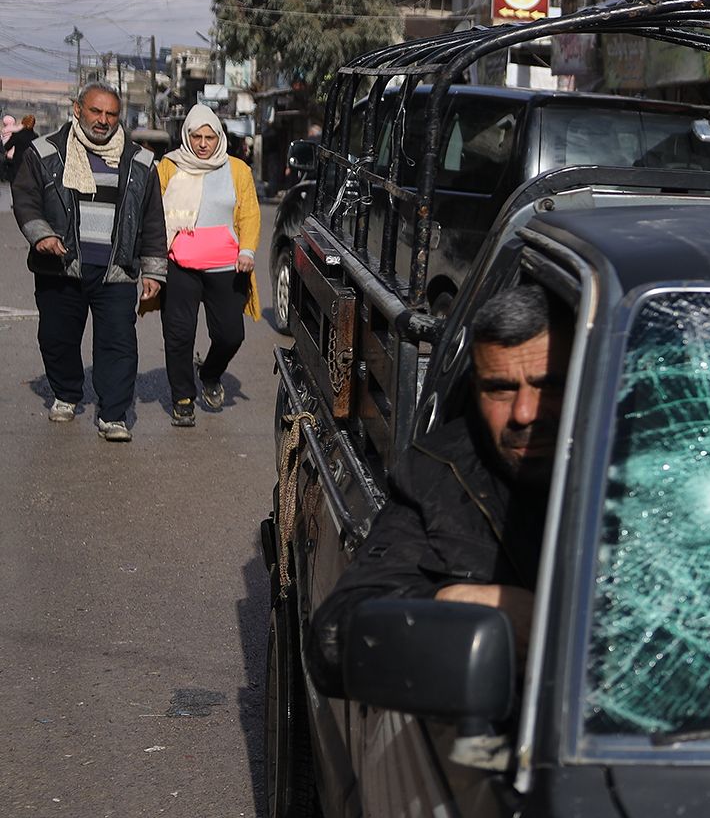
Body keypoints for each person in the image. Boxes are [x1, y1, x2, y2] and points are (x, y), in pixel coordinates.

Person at [307, 284, 569, 695]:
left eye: (548, 386)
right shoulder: (439, 476)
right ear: (474, 389)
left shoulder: (663, 483)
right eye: (501, 388)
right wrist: (455, 606)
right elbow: (334, 639)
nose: (524, 413)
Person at [11, 86, 165, 441]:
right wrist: (42, 235)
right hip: (61, 266)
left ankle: (113, 415)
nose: (103, 121)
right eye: (96, 112)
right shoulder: (45, 151)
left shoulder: (140, 161)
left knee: (118, 344)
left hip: (116, 269)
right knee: (57, 338)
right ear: (78, 110)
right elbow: (26, 199)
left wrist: (154, 271)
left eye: (111, 114)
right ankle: (66, 394)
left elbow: (153, 218)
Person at [155, 105, 261, 427]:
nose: (203, 143)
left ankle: (211, 372)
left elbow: (249, 214)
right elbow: (154, 213)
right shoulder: (169, 167)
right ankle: (183, 399)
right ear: (187, 137)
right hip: (180, 266)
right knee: (179, 335)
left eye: (209, 137)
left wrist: (247, 251)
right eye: (196, 136)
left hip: (227, 268)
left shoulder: (237, 170)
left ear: (219, 137)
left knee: (230, 335)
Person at [2, 114, 37, 181]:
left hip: (17, 165)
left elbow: (7, 147)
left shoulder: (17, 135)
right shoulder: (36, 137)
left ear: (23, 122)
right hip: (30, 166)